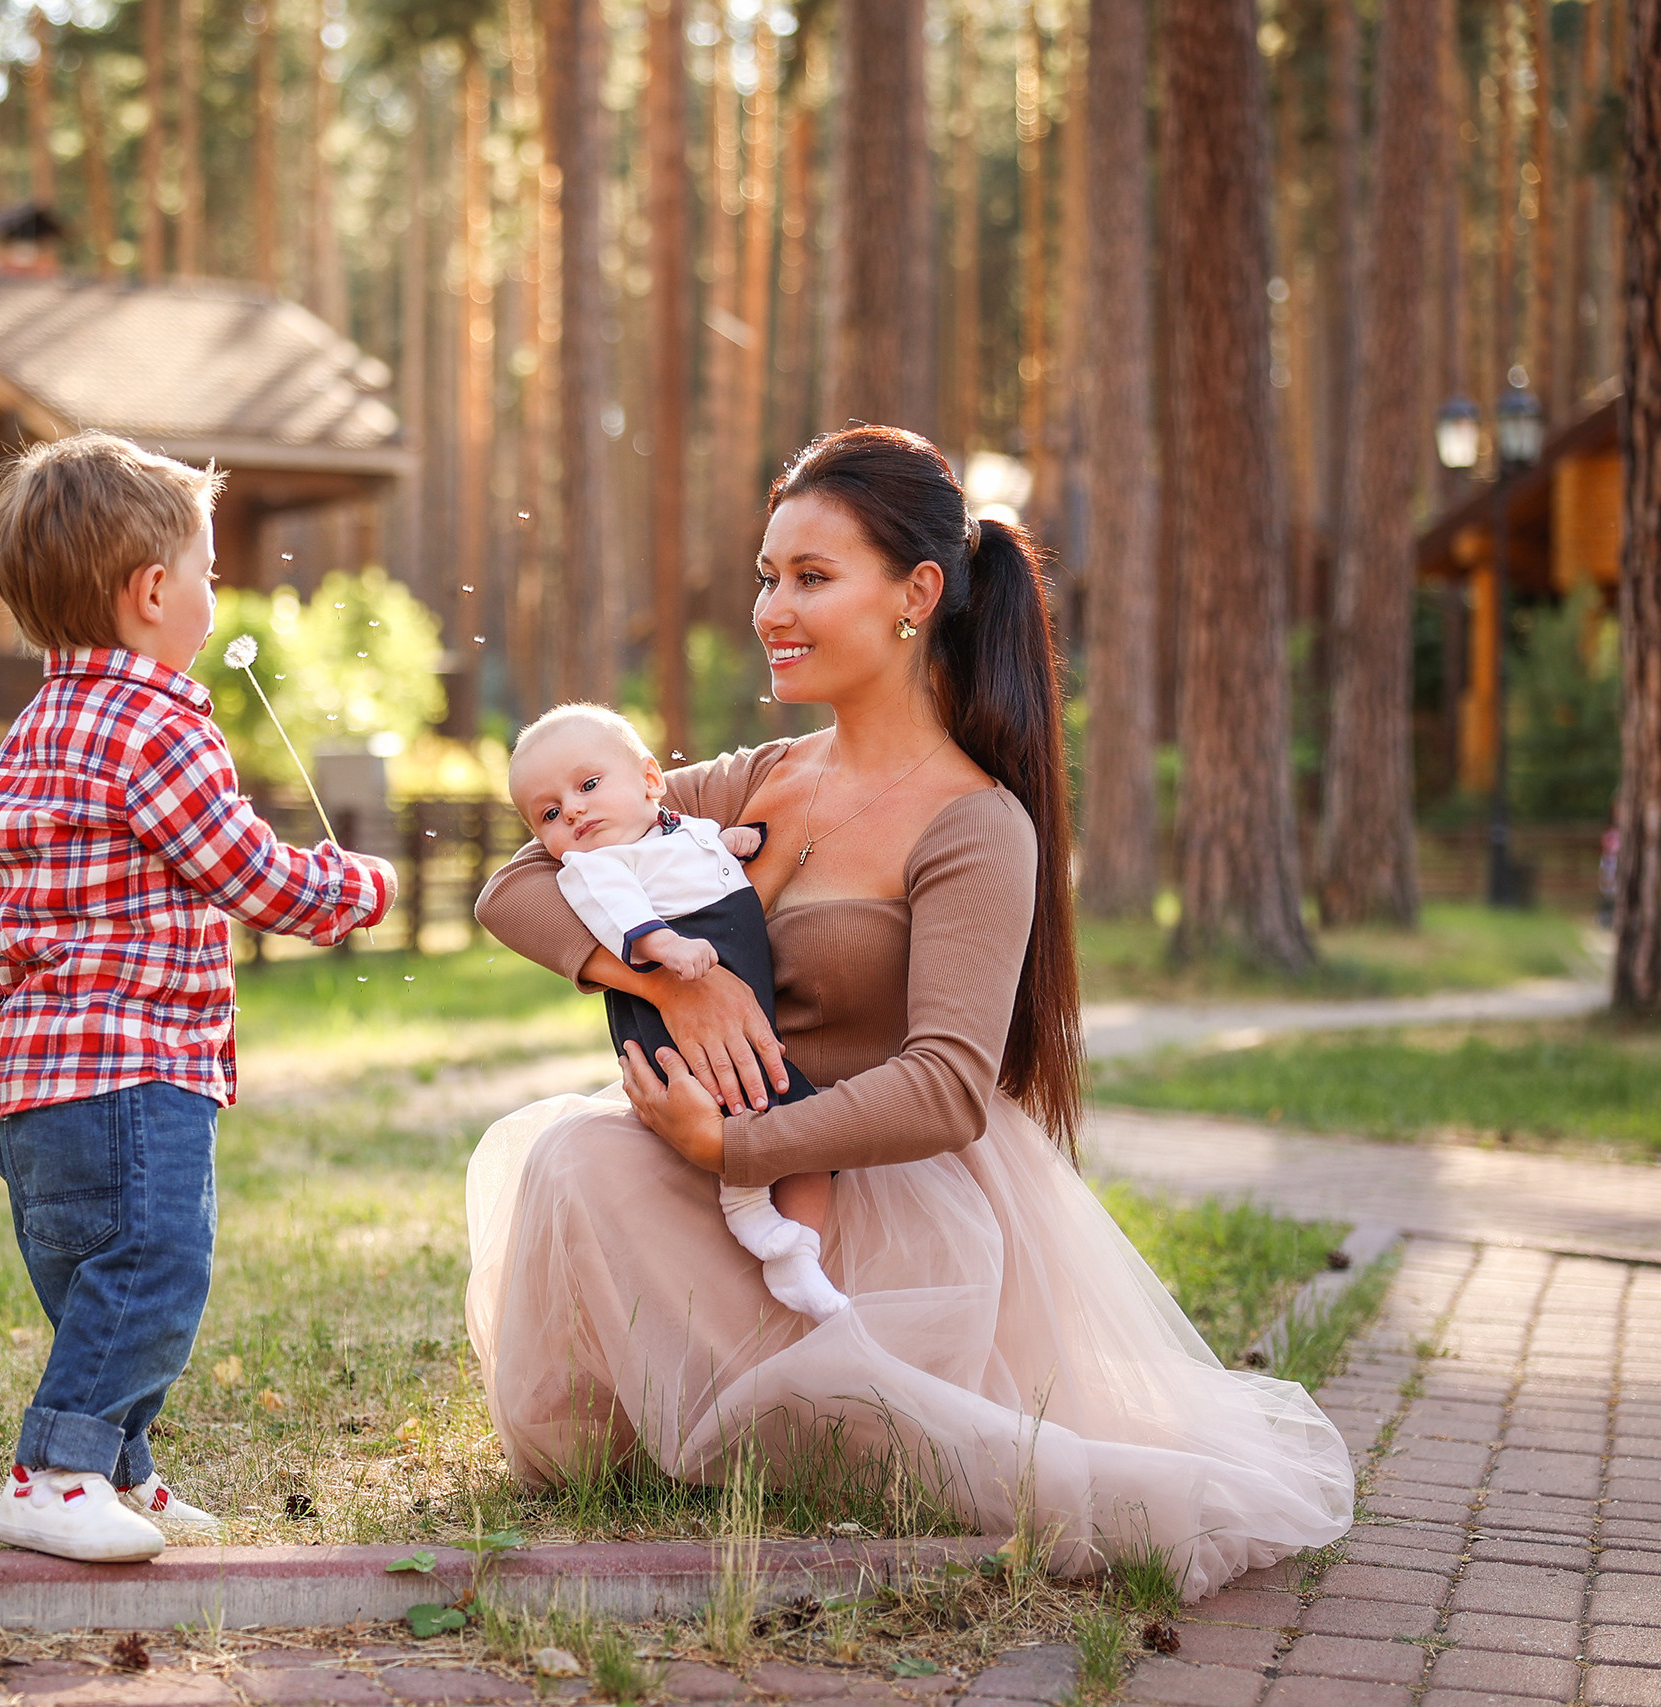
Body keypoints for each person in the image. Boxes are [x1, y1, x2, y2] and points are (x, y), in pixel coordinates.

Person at [470, 426, 1351, 1599]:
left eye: (811, 578)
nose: (771, 609)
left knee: (601, 1169)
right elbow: (518, 881)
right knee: (571, 1152)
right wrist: (667, 972)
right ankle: (728, 1417)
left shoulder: (976, 825)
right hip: (719, 1162)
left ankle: (816, 1417)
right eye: (765, 577)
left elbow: (943, 1083)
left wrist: (737, 1142)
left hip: (879, 1200)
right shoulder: (763, 776)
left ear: (916, 595)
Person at [0, 433, 397, 1563]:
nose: (216, 591)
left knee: (93, 1283)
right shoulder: (158, 725)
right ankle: (55, 1472)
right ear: (155, 591)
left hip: (32, 1089)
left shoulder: (28, 736)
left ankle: (122, 1469)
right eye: (208, 572)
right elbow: (248, 873)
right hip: (134, 1072)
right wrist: (355, 888)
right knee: (154, 1270)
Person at [504, 703, 847, 1321]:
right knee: (734, 1103)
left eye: (586, 786)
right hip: (672, 1010)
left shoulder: (678, 827)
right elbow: (624, 917)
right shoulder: (593, 866)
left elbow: (708, 843)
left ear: (651, 780)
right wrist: (666, 954)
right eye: (550, 814)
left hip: (738, 1011)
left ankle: (802, 1252)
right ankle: (748, 1208)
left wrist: (734, 839)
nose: (574, 810)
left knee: (797, 1126)